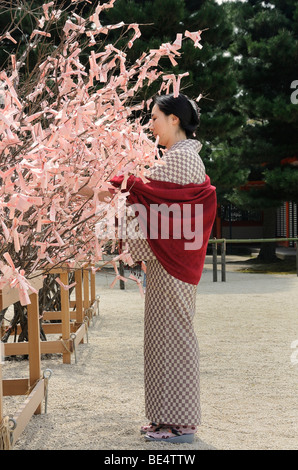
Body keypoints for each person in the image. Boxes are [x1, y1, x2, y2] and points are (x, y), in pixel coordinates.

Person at [81, 93, 217, 444]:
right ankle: (163, 417)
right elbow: (144, 192)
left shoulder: (182, 159)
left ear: (175, 120)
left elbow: (138, 188)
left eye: (156, 117)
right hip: (167, 261)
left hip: (174, 263)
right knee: (160, 338)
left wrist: (93, 189)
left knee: (174, 337)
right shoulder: (175, 158)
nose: (151, 125)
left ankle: (182, 423)